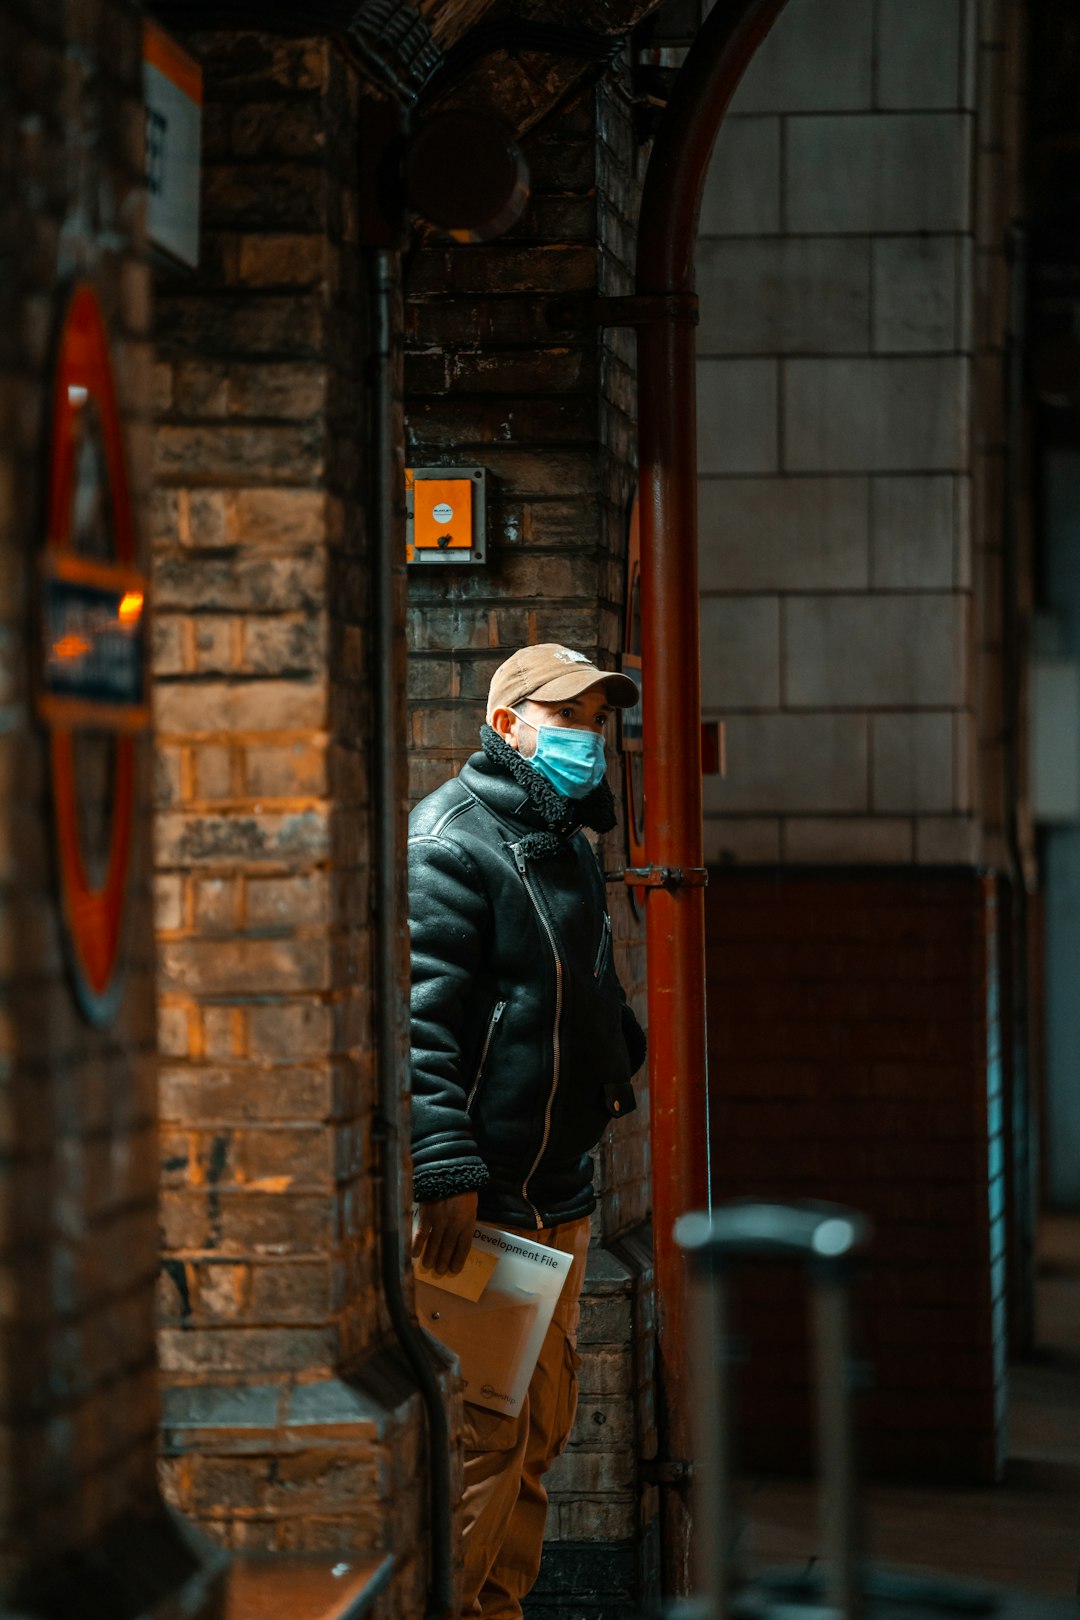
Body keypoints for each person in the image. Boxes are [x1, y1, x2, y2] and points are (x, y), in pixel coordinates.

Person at [408, 643, 647, 1620]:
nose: (587, 736)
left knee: (537, 1437)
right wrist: (443, 1165)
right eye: (567, 715)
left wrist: (615, 1060)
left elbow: (582, 997)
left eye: (597, 718)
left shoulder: (563, 845)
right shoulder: (450, 844)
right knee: (480, 1447)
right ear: (506, 725)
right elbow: (413, 1023)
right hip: (487, 1208)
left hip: (558, 1203)